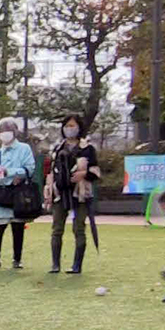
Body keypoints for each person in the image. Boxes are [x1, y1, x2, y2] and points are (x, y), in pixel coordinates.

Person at [44, 115, 101, 274]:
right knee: (57, 228)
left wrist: (83, 175)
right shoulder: (57, 148)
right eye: (67, 126)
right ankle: (55, 264)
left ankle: (77, 265)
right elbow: (49, 172)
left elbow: (96, 171)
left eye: (72, 125)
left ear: (79, 128)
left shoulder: (87, 148)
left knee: (79, 228)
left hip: (80, 193)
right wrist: (49, 189)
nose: (70, 129)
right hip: (59, 192)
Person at [0, 117, 36, 269]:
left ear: (14, 132)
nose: (5, 134)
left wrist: (12, 173)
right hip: (2, 193)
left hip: (19, 193)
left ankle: (17, 259)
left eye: (8, 130)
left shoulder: (24, 149)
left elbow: (29, 169)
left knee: (18, 227)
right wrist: (6, 178)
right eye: (2, 131)